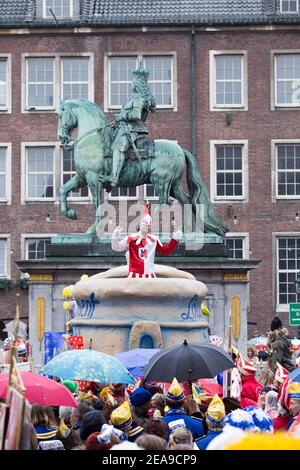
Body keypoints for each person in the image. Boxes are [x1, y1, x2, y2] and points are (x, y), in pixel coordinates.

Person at [103, 65, 156, 187]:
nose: (130, 84)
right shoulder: (134, 97)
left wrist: (122, 117)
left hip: (133, 129)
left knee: (118, 148)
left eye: (132, 82)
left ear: (138, 84)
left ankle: (114, 177)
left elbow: (136, 115)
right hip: (125, 128)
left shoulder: (139, 98)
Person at [112, 201, 182, 278]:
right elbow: (117, 247)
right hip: (134, 277)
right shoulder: (131, 239)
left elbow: (166, 250)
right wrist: (115, 237)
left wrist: (174, 240)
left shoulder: (154, 240)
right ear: (141, 225)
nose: (148, 227)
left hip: (150, 277)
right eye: (145, 225)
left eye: (149, 226)